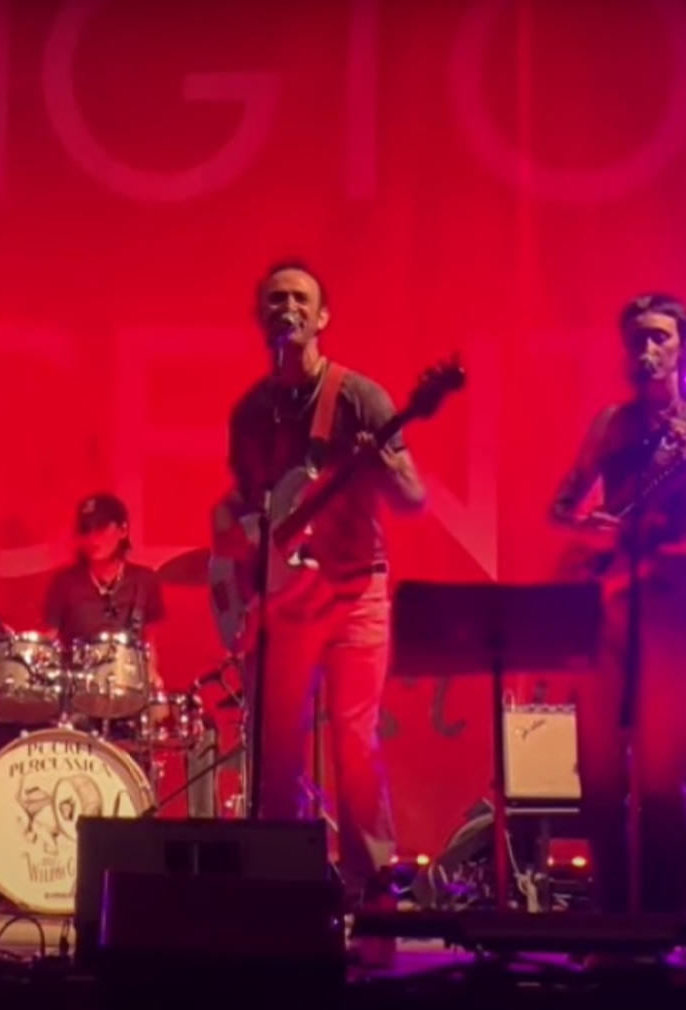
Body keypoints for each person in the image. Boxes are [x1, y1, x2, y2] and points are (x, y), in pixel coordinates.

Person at [220, 261, 426, 903]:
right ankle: (278, 889)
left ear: (322, 316)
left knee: (356, 742)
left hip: (355, 590)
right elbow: (242, 503)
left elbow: (413, 499)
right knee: (276, 746)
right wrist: (238, 554)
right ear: (261, 316)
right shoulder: (252, 411)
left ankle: (373, 892)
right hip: (285, 600)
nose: (288, 307)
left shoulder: (359, 397)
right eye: (276, 298)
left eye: (300, 298)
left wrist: (381, 463)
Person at [548, 293, 686, 915]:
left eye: (660, 337)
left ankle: (672, 919)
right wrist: (590, 526)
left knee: (660, 773)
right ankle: (610, 918)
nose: (648, 349)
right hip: (608, 597)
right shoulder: (611, 423)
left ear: (683, 347)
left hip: (672, 597)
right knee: (599, 772)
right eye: (637, 338)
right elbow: (562, 505)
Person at [39, 493, 166, 642]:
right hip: (78, 657)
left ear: (123, 530)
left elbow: (150, 644)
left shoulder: (145, 580)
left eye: (101, 527)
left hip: (129, 657)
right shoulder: (64, 583)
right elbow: (48, 640)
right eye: (86, 530)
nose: (92, 537)